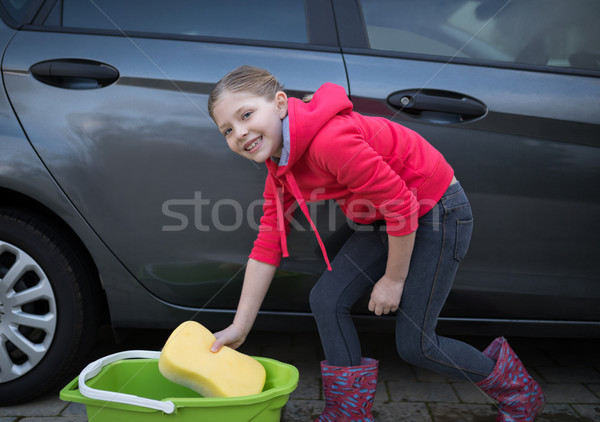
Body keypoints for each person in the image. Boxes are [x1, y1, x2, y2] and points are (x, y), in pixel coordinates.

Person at [207, 65, 544, 421]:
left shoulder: (329, 141)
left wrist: (393, 280)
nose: (240, 133)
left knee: (417, 345)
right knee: (326, 298)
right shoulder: (281, 166)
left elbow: (402, 205)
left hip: (437, 209)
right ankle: (348, 413)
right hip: (386, 217)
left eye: (246, 115)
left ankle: (519, 392)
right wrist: (240, 327)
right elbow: (268, 244)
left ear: (279, 104)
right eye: (227, 130)